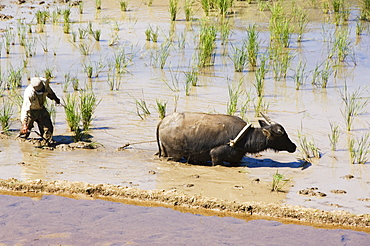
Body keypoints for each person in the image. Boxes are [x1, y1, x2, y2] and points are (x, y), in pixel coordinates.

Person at [20, 77, 61, 145]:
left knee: (48, 128)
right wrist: (24, 124)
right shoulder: (29, 93)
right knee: (25, 132)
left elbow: (49, 91)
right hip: (31, 111)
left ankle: (46, 143)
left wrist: (55, 98)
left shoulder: (44, 83)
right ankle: (22, 144)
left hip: (41, 109)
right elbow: (25, 109)